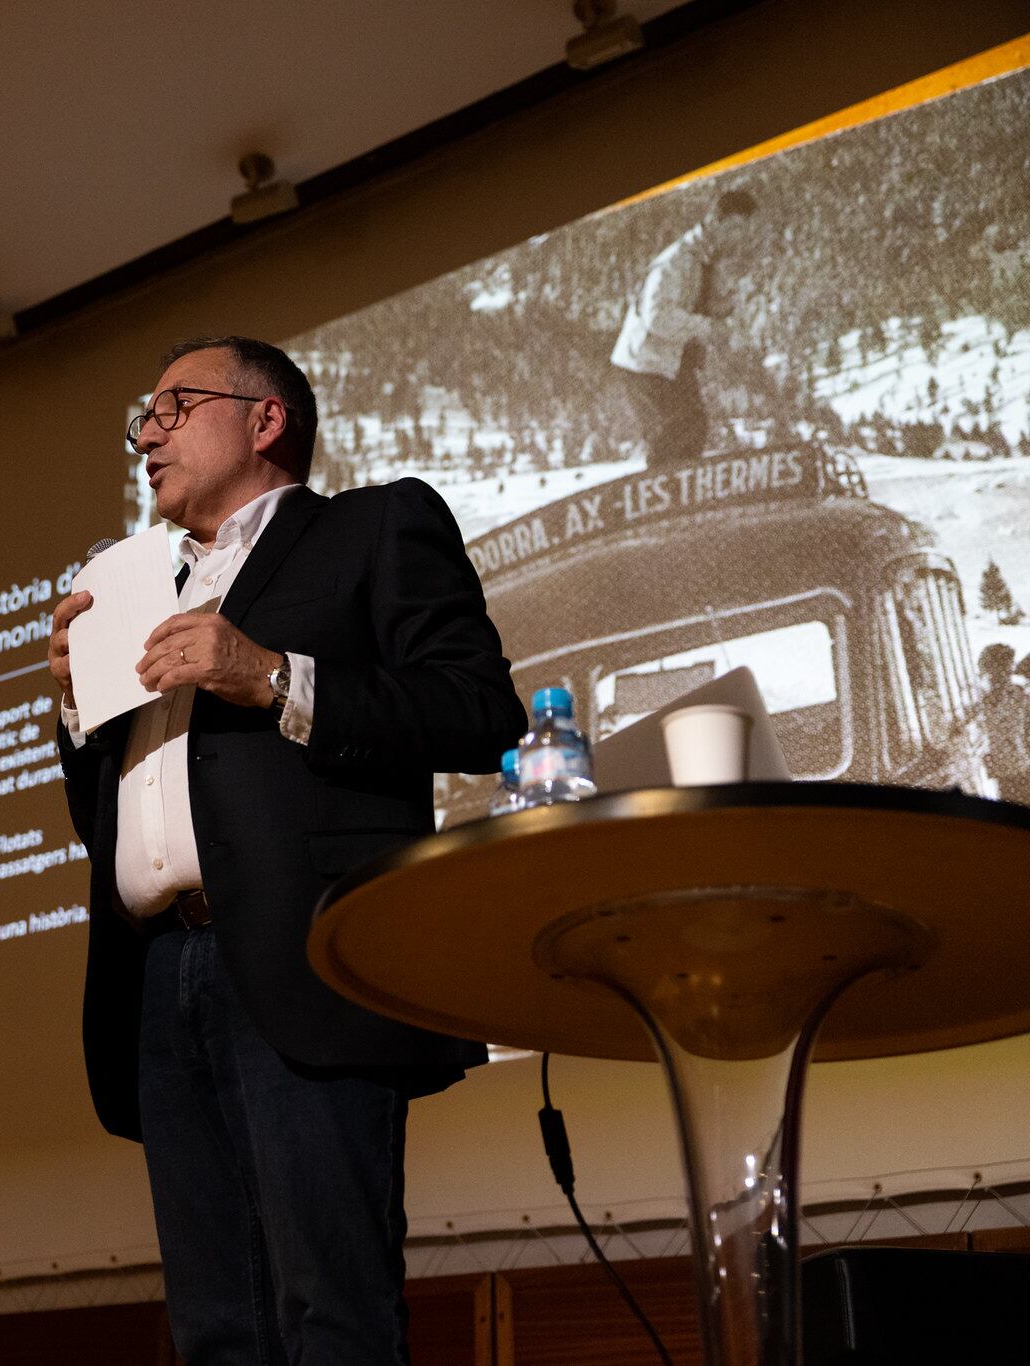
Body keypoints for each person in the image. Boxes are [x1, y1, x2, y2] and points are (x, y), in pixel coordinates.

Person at [47, 336, 525, 1364]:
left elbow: (477, 711)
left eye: (175, 405)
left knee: (331, 1316)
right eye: (143, 415)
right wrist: (72, 707)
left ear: (266, 421)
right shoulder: (137, 583)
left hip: (303, 955)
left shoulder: (371, 525)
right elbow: (116, 823)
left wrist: (271, 675)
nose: (146, 433)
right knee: (215, 1331)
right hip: (157, 973)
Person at [611, 188, 759, 468]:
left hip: (672, 363)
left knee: (693, 426)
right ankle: (663, 497)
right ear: (716, 221)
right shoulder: (675, 262)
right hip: (644, 364)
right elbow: (657, 316)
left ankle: (679, 495)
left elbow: (699, 305)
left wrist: (725, 302)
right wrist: (707, 327)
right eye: (736, 228)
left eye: (745, 230)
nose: (739, 237)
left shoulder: (707, 260)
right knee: (673, 432)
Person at [978, 643, 1030, 805]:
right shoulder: (978, 699)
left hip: (1022, 767)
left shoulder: (1020, 697)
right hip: (999, 771)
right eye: (998, 668)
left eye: (1007, 667)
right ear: (988, 669)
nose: (1004, 673)